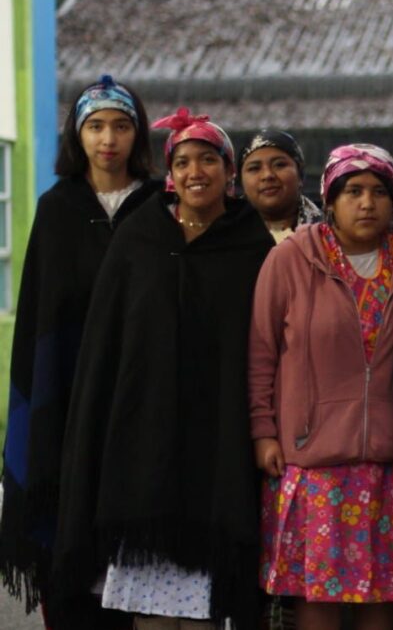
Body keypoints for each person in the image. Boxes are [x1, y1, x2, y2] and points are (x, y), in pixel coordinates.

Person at [51, 107, 274, 630]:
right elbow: (106, 349)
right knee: (149, 615)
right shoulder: (139, 238)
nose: (195, 172)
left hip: (218, 451)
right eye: (182, 162)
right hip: (141, 452)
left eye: (208, 160)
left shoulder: (253, 248)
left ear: (229, 169)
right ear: (169, 172)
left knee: (203, 613)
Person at [0, 75, 159, 624]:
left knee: (134, 554)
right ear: (78, 135)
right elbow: (43, 316)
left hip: (142, 397)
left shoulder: (160, 207)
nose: (108, 139)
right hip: (66, 399)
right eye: (95, 126)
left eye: (120, 125)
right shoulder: (58, 209)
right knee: (69, 544)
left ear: (137, 135)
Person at [248, 144, 393, 630]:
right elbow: (262, 353)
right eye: (353, 191)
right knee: (317, 605)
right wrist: (263, 431)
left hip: (387, 468)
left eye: (377, 192)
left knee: (380, 604)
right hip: (314, 463)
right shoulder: (291, 259)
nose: (366, 203)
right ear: (330, 199)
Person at [238, 129, 322, 243]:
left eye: (279, 165)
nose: (267, 175)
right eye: (254, 168)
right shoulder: (223, 236)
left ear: (300, 173)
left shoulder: (332, 232)